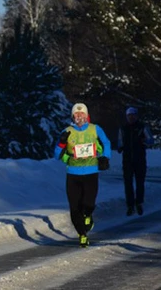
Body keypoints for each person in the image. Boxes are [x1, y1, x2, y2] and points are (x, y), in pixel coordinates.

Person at [55, 102, 112, 247]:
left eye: (82, 114)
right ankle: (82, 235)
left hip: (91, 172)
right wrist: (62, 144)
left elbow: (106, 143)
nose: (79, 116)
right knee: (74, 208)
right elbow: (57, 154)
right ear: (72, 116)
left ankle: (88, 215)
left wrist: (105, 157)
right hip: (73, 174)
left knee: (88, 203)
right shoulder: (67, 131)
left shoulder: (95, 129)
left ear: (87, 116)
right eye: (76, 114)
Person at [117, 106, 153, 216]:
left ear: (136, 116)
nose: (131, 117)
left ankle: (139, 203)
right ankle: (130, 205)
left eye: (133, 115)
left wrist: (144, 141)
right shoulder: (123, 128)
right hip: (127, 160)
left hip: (140, 159)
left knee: (140, 182)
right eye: (129, 115)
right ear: (126, 117)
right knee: (128, 183)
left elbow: (150, 140)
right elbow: (119, 141)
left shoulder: (142, 127)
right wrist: (119, 147)